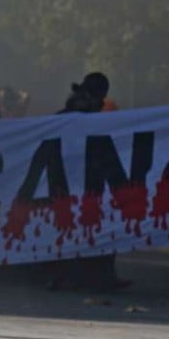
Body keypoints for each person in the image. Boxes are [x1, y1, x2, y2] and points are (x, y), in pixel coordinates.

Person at [53, 71, 129, 291]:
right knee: (73, 231)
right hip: (73, 181)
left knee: (97, 229)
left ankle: (102, 277)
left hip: (89, 181)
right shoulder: (77, 113)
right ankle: (71, 277)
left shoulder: (95, 114)